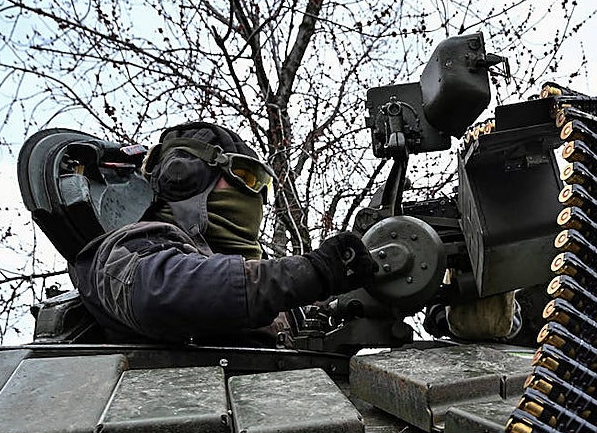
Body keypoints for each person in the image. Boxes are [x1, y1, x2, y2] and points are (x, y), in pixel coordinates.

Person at [69, 121, 375, 345]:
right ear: (186, 177)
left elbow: (306, 325)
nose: (255, 195)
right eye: (243, 176)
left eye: (259, 183)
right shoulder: (130, 248)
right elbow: (166, 292)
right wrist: (314, 272)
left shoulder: (259, 288)